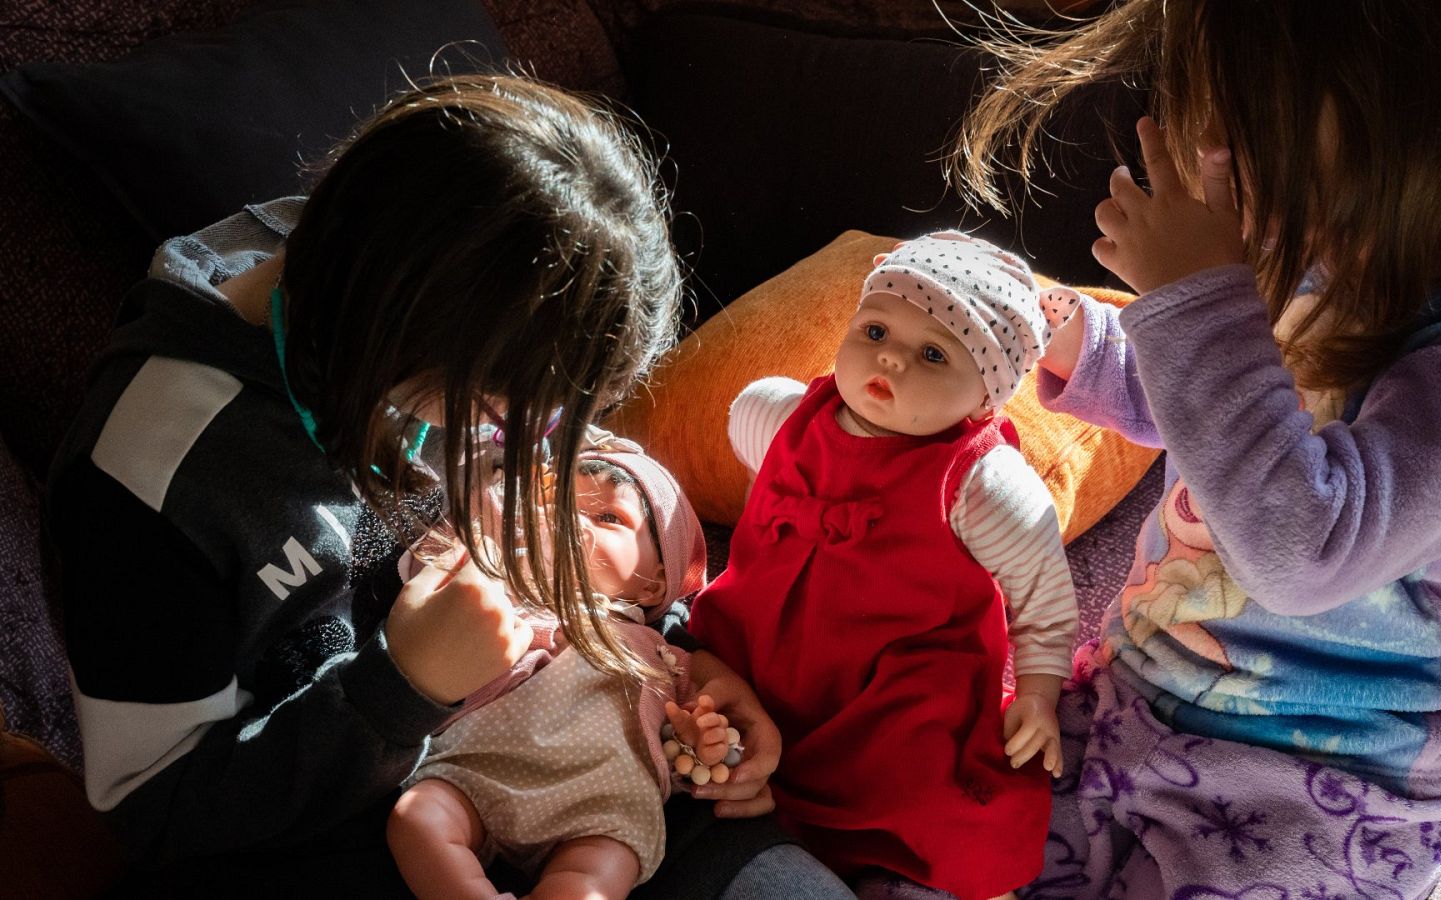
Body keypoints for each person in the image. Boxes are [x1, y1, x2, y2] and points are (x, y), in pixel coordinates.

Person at [46, 74, 852, 898]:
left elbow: (610, 532)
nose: (527, 454)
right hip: (352, 826)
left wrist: (691, 665)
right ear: (398, 344)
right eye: (505, 418)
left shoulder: (457, 322)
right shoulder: (147, 478)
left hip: (596, 768)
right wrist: (402, 685)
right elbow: (157, 816)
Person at [953, 1, 1441, 896]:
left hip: (1330, 787)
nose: (1204, 153)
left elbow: (1306, 545)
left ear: (1405, 113)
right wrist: (1070, 336)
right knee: (942, 838)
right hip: (1137, 700)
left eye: (1246, 124)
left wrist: (1195, 297)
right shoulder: (1306, 248)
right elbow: (1220, 416)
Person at [689, 231, 1082, 899]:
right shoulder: (778, 413)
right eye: (875, 329)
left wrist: (1040, 693)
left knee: (931, 797)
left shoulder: (984, 483)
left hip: (894, 685)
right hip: (756, 646)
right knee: (693, 702)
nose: (891, 359)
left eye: (933, 354)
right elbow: (750, 451)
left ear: (984, 398)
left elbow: (1042, 591)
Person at [390, 439, 733, 899]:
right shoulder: (502, 589)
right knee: (415, 819)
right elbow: (441, 551)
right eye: (557, 507)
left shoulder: (666, 655)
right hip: (479, 768)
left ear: (654, 585)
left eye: (608, 517)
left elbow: (702, 750)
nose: (571, 521)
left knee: (595, 881)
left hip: (601, 803)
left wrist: (700, 742)